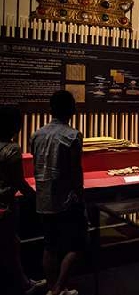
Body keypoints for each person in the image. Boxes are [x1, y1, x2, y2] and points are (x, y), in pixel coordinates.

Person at [31, 91, 85, 295]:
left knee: (50, 245)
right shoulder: (72, 136)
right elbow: (75, 172)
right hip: (66, 200)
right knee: (77, 244)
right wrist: (80, 196)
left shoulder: (36, 134)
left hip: (44, 198)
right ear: (72, 109)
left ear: (51, 109)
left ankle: (52, 288)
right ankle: (59, 288)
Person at [0, 106, 46, 295]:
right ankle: (22, 284)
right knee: (10, 243)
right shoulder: (11, 149)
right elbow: (18, 181)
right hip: (4, 204)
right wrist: (34, 196)